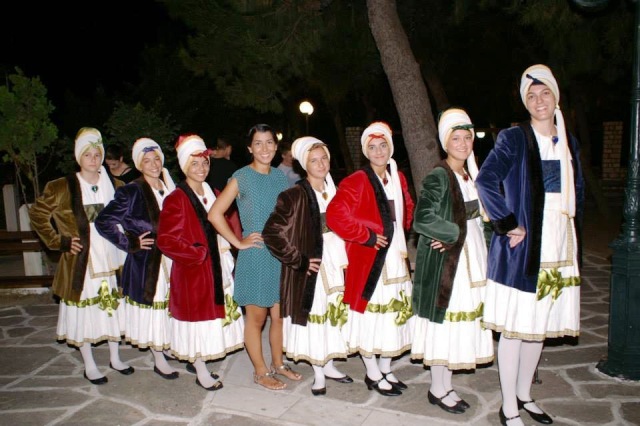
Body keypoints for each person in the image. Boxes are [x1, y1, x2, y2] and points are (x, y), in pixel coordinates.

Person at [475, 65, 584, 426]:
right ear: (525, 102)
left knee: (538, 327)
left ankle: (525, 394)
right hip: (524, 249)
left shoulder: (567, 140)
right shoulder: (515, 137)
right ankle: (509, 406)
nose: (539, 101)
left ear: (556, 97)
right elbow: (486, 180)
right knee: (516, 328)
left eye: (545, 93)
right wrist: (507, 222)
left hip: (558, 245)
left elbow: (576, 192)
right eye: (531, 96)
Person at [29, 127, 132, 385]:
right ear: (78, 157)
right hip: (82, 262)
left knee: (112, 309)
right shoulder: (62, 186)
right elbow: (38, 214)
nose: (93, 159)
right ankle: (90, 364)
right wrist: (59, 241)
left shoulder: (116, 186)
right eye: (88, 154)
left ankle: (115, 357)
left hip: (111, 258)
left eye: (97, 154)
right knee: (84, 313)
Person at [410, 108, 494, 414]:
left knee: (460, 322)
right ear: (445, 142)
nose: (462, 143)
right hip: (451, 263)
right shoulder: (439, 175)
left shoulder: (469, 174)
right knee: (445, 323)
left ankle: (445, 385)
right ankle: (438, 388)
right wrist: (450, 233)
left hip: (474, 257)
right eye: (455, 138)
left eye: (467, 138)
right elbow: (422, 217)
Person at [209, 123, 302, 391]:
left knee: (279, 316)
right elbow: (215, 214)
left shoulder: (280, 177)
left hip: (280, 254)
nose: (264, 148)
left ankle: (279, 364)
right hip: (257, 255)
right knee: (257, 318)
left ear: (276, 146)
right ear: (250, 148)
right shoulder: (242, 177)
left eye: (269, 142)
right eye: (258, 143)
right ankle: (261, 372)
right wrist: (238, 242)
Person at [326, 121, 415, 397]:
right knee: (370, 317)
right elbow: (335, 215)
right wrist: (366, 235)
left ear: (391, 147)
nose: (379, 151)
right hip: (370, 259)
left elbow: (407, 207)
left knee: (393, 316)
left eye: (383, 145)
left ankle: (385, 368)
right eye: (373, 147)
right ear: (366, 151)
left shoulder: (398, 177)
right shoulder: (356, 180)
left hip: (396, 257)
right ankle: (372, 372)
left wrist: (403, 228)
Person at [263, 136, 351, 396]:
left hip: (337, 262)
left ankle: (330, 364)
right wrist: (298, 259)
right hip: (314, 268)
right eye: (314, 160)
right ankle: (319, 371)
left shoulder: (336, 191)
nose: (320, 164)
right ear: (304, 165)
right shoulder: (294, 195)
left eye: (324, 158)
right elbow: (272, 233)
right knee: (315, 316)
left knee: (334, 313)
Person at [156, 134, 244, 391]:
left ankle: (201, 362)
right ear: (184, 166)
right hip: (194, 271)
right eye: (194, 163)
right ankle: (201, 369)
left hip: (218, 266)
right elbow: (166, 240)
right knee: (198, 322)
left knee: (212, 319)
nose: (201, 168)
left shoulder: (214, 192)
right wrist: (197, 254)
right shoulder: (176, 198)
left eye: (205, 163)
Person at [95, 138, 179, 380]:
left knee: (170, 306)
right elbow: (104, 221)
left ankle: (167, 345)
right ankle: (158, 358)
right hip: (149, 262)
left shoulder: (169, 186)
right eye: (147, 161)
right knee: (155, 308)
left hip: (173, 259)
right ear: (139, 164)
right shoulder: (131, 191)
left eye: (156, 159)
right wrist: (130, 242)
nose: (153, 165)